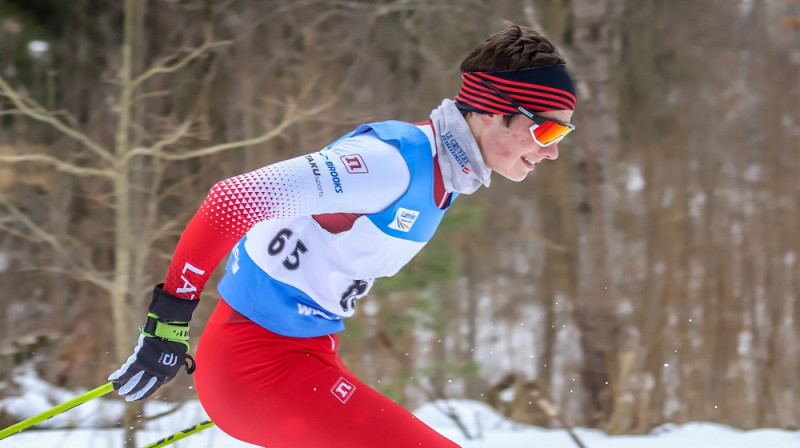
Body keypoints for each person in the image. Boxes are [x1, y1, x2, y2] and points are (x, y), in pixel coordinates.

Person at [108, 22, 576, 448]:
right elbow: (231, 200)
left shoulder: (442, 172)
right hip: (256, 366)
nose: (553, 151)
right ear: (494, 111)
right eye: (547, 130)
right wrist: (165, 327)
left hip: (300, 358)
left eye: (562, 135)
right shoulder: (391, 161)